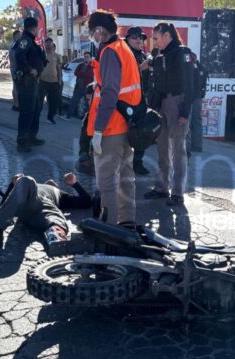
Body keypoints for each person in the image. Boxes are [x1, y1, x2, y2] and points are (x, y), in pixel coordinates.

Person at [87, 9, 140, 224]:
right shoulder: (123, 48)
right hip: (126, 124)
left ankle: (109, 233)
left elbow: (110, 93)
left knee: (107, 184)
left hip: (111, 128)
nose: (91, 36)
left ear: (100, 30)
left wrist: (98, 130)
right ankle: (127, 224)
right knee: (126, 179)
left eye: (92, 32)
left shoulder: (109, 52)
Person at [143, 22, 197, 207]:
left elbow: (190, 84)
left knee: (178, 150)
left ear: (167, 35)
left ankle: (178, 192)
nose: (154, 42)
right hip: (161, 104)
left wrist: (185, 110)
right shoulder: (158, 56)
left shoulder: (183, 53)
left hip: (177, 102)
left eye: (156, 38)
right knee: (162, 148)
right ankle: (161, 187)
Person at [0, 172, 93, 250]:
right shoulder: (33, 187)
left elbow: (87, 202)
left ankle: (56, 238)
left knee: (53, 218)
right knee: (26, 180)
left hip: (42, 212)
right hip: (28, 204)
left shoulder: (61, 195)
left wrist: (74, 183)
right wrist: (14, 183)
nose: (51, 181)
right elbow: (6, 204)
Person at [13, 17, 47, 153]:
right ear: (34, 27)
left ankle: (32, 136)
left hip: (34, 81)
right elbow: (19, 56)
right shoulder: (25, 40)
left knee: (36, 108)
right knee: (27, 111)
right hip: (27, 81)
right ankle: (22, 140)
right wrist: (29, 69)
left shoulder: (31, 41)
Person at [124, 26, 151, 176]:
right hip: (126, 101)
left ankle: (137, 162)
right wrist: (142, 67)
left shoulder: (142, 54)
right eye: (135, 37)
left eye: (141, 37)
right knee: (124, 133)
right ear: (127, 39)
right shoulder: (124, 53)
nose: (139, 40)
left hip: (141, 98)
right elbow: (125, 75)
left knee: (142, 132)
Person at [186, 52, 208, 157]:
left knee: (188, 121)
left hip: (191, 97)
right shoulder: (201, 67)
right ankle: (197, 146)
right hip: (198, 97)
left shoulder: (192, 67)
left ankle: (188, 147)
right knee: (197, 121)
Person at [39, 37, 63, 124]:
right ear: (44, 44)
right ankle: (36, 116)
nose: (48, 44)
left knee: (53, 102)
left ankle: (50, 117)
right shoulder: (41, 55)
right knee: (39, 101)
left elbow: (59, 69)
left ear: (52, 44)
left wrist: (59, 80)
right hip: (42, 81)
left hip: (54, 82)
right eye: (47, 43)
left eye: (50, 43)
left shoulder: (57, 56)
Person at [76, 83, 97, 176]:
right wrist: (83, 154)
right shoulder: (89, 116)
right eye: (88, 100)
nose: (89, 103)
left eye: (91, 99)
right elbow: (84, 139)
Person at [67, 51, 94, 120]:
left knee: (88, 104)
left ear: (90, 58)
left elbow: (90, 75)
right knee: (73, 101)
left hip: (87, 88)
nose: (86, 58)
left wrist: (81, 74)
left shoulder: (92, 67)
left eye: (87, 57)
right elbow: (76, 73)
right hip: (78, 87)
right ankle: (68, 116)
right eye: (85, 57)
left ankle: (89, 119)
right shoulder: (80, 65)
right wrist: (82, 74)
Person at [9, 30, 21, 111]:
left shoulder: (11, 44)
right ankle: (17, 104)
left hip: (13, 67)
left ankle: (16, 104)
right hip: (16, 68)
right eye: (19, 35)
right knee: (17, 87)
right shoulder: (15, 45)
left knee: (15, 86)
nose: (21, 37)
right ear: (15, 36)